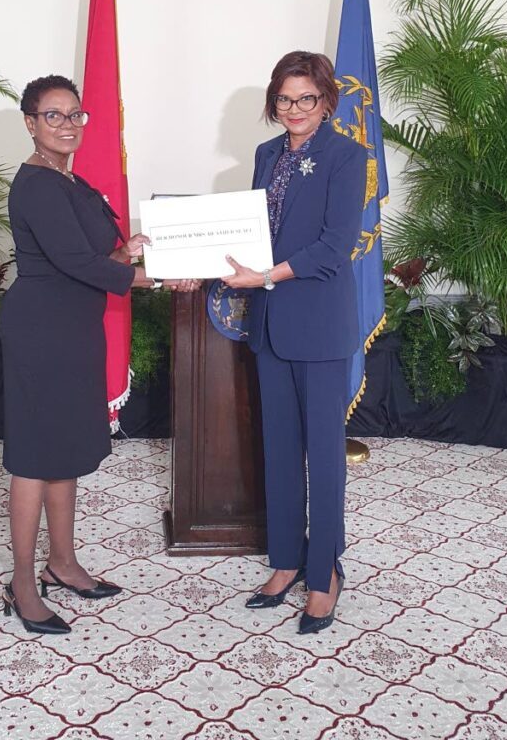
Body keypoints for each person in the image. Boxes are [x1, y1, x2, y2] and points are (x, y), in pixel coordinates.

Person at [0, 74, 197, 635]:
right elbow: (77, 265)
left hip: (74, 329)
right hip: (42, 332)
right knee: (35, 458)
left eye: (75, 114)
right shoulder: (37, 184)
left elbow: (90, 256)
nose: (67, 125)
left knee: (64, 450)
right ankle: (21, 582)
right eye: (53, 116)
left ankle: (62, 562)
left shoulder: (68, 181)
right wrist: (155, 276)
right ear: (31, 123)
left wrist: (125, 250)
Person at [222, 51, 366, 635]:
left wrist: (267, 276)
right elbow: (253, 231)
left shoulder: (347, 155)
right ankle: (285, 562)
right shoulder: (265, 155)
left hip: (320, 323)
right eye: (284, 99)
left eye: (306, 98)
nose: (294, 109)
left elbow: (335, 246)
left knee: (324, 454)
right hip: (270, 325)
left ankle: (324, 570)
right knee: (279, 448)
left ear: (327, 101)